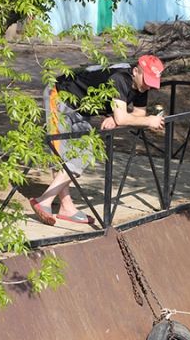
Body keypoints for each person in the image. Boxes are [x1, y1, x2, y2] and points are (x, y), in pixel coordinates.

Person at [29, 55, 166, 226]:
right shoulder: (120, 79)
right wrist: (140, 120)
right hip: (60, 95)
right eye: (146, 80)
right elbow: (133, 118)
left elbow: (138, 114)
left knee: (84, 153)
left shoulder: (141, 87)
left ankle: (64, 207)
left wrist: (117, 119)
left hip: (82, 109)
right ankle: (46, 201)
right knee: (62, 154)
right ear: (136, 71)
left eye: (152, 83)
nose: (147, 86)